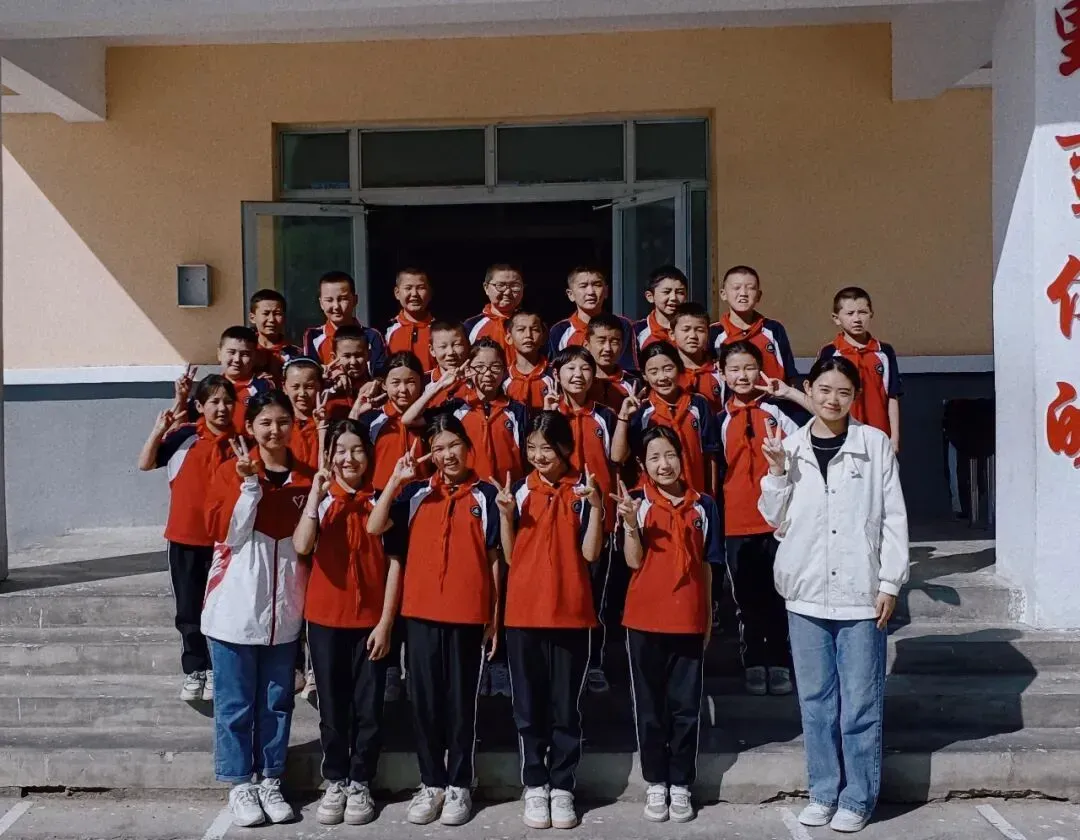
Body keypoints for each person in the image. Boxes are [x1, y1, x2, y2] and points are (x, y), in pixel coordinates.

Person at [758, 356, 909, 833]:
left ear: (854, 397)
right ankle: (823, 792)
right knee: (816, 703)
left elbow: (894, 518)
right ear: (809, 389)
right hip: (805, 592)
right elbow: (773, 517)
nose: (832, 400)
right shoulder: (790, 447)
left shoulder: (874, 444)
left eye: (843, 392)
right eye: (824, 390)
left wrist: (889, 582)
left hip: (860, 594)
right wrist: (777, 471)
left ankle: (857, 797)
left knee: (860, 704)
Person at [368, 414, 501, 828]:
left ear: (468, 446)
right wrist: (396, 479)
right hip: (420, 615)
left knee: (461, 705)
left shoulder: (486, 496)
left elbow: (494, 560)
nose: (447, 455)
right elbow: (375, 526)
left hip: (467, 615)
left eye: (453, 445)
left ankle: (460, 783)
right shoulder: (415, 494)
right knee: (424, 704)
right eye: (438, 448)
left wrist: (494, 615)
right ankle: (432, 783)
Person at [202, 390, 315, 828]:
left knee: (276, 703)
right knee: (235, 706)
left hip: (283, 616)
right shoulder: (231, 471)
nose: (274, 430)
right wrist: (249, 486)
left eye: (282, 421)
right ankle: (239, 784)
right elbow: (227, 534)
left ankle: (270, 779)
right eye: (265, 422)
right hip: (234, 613)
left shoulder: (306, 479)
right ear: (250, 427)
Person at [493, 411, 605, 831]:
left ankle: (562, 785)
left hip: (571, 613)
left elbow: (591, 554)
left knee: (564, 707)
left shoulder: (582, 490)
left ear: (565, 449)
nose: (539, 456)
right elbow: (509, 556)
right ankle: (535, 784)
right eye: (532, 448)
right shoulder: (520, 491)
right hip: (524, 613)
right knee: (528, 706)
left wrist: (596, 508)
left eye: (547, 448)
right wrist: (505, 515)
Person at [292, 420, 403, 827]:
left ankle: (361, 780)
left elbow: (395, 564)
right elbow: (302, 545)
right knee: (333, 706)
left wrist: (386, 623)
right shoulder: (322, 500)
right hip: (325, 619)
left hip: (370, 622)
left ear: (368, 456)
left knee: (368, 707)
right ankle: (336, 778)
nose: (349, 458)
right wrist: (315, 495)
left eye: (357, 450)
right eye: (341, 450)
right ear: (330, 456)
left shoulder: (382, 500)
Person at [617, 426, 723, 824]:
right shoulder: (637, 502)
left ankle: (680, 782)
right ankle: (655, 781)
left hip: (687, 618)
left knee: (685, 707)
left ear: (682, 457)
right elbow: (632, 562)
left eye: (670, 455)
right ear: (643, 464)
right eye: (655, 458)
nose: (664, 465)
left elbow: (708, 567)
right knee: (650, 708)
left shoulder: (704, 506)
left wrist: (707, 617)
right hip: (644, 620)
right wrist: (630, 525)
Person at [137, 374, 237, 702]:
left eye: (227, 402)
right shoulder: (184, 436)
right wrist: (158, 430)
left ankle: (219, 667)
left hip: (226, 543)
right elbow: (145, 463)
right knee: (188, 610)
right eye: (214, 402)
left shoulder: (243, 442)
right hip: (185, 539)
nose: (221, 408)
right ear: (200, 406)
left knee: (222, 610)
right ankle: (196, 668)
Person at [716, 342, 801, 696]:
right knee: (745, 599)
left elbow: (805, 449)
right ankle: (753, 661)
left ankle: (780, 661)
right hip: (737, 522)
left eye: (749, 367)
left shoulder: (777, 412)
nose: (742, 375)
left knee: (779, 593)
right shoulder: (718, 420)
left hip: (778, 520)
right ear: (722, 374)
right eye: (734, 369)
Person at [548, 347, 619, 694]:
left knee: (594, 594)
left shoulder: (605, 416)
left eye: (585, 369)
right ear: (557, 375)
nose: (577, 375)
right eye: (570, 368)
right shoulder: (548, 414)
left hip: (597, 518)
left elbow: (617, 460)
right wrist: (549, 416)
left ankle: (593, 662)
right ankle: (561, 661)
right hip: (558, 519)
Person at [404, 338, 527, 484]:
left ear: (504, 370)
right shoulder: (457, 408)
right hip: (471, 491)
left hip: (508, 491)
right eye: (480, 367)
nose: (487, 373)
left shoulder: (517, 410)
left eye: (495, 367)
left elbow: (526, 455)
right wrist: (439, 386)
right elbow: (408, 419)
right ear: (468, 370)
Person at [614, 341, 719, 497]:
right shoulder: (642, 411)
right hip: (656, 499)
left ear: (679, 368)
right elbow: (618, 457)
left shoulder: (698, 404)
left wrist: (711, 496)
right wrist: (623, 417)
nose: (662, 377)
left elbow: (710, 455)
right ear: (645, 375)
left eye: (668, 369)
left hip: (695, 495)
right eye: (653, 372)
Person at [817, 286, 902, 453]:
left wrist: (894, 438)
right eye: (850, 313)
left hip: (879, 435)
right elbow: (820, 398)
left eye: (862, 312)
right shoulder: (830, 352)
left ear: (871, 314)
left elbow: (893, 396)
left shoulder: (884, 352)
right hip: (842, 437)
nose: (857, 319)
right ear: (836, 318)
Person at [710, 265, 797, 385]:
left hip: (772, 396)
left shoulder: (774, 329)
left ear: (759, 296)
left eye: (750, 288)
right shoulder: (713, 333)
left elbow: (790, 374)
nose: (743, 293)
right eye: (736, 288)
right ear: (723, 294)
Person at [548, 267, 637, 370]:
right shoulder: (560, 330)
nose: (590, 292)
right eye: (583, 286)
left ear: (606, 291)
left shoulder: (622, 324)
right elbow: (556, 370)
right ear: (570, 294)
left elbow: (628, 368)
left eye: (597, 285)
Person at [303, 270, 387, 374]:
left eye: (342, 299)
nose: (336, 306)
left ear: (355, 300)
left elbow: (380, 373)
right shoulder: (313, 336)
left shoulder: (371, 336)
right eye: (329, 300)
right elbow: (311, 374)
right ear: (321, 303)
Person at [586, 312, 644, 415]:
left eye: (614, 342)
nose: (608, 348)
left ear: (622, 345)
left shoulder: (635, 384)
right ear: (587, 345)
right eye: (601, 341)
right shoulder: (580, 381)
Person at [216, 326, 271, 433]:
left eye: (245, 354)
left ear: (255, 357)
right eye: (231, 352)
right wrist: (183, 398)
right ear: (219, 354)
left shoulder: (263, 388)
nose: (237, 359)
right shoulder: (210, 386)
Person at [672, 302, 724, 412]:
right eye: (686, 329)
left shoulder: (720, 373)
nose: (693, 336)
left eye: (700, 330)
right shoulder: (666, 373)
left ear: (708, 334)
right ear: (672, 334)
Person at [464, 264, 524, 357]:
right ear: (486, 288)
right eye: (500, 285)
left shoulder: (532, 324)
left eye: (515, 286)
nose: (507, 292)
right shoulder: (471, 326)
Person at [386, 268, 436, 372]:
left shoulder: (440, 329)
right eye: (408, 288)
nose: (414, 294)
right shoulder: (386, 329)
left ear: (430, 292)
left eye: (421, 288)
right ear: (397, 293)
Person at [281, 358, 326, 472]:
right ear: (284, 388)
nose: (302, 393)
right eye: (295, 387)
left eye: (309, 387)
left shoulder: (329, 423)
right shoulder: (278, 425)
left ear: (320, 386)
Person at [249, 289, 302, 384]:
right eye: (265, 313)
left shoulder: (296, 354)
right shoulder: (245, 350)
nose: (271, 319)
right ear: (252, 318)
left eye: (277, 314)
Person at [505, 309, 553, 412]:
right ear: (509, 338)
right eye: (521, 329)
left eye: (534, 329)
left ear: (543, 337)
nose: (528, 335)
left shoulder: (554, 374)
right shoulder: (503, 378)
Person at [634, 266, 688, 351]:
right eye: (666, 292)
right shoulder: (636, 332)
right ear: (650, 296)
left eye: (680, 292)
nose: (673, 298)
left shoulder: (695, 329)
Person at [425, 321, 473, 408]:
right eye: (443, 346)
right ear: (432, 350)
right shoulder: (422, 382)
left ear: (468, 345)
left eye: (457, 345)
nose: (450, 352)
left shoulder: (478, 380)